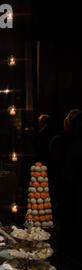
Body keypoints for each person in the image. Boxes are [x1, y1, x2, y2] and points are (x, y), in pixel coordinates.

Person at [49, 109, 82, 258]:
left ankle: (68, 249)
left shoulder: (63, 141)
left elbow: (58, 163)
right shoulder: (65, 141)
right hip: (69, 184)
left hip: (68, 185)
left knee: (68, 217)